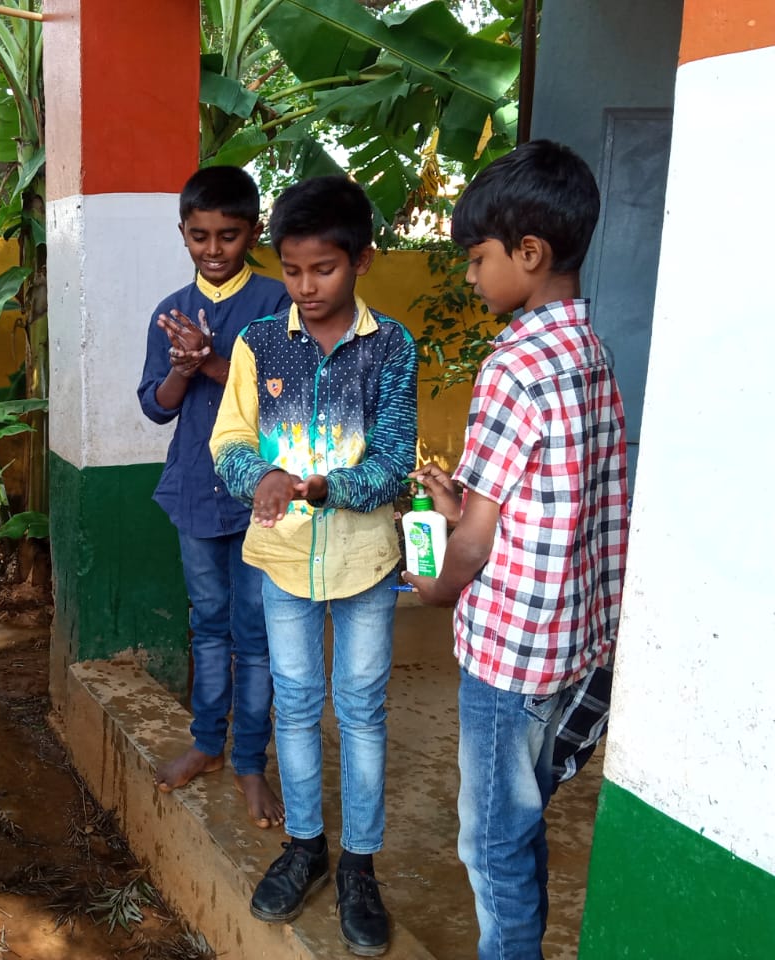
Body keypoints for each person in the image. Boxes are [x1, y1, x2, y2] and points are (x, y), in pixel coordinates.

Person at [401, 139, 628, 960]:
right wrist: (459, 502)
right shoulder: (589, 354)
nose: (469, 275)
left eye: (477, 257)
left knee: (489, 841)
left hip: (507, 657)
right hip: (568, 643)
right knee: (523, 814)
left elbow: (470, 547)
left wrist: (433, 582)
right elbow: (551, 502)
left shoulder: (513, 365)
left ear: (528, 255)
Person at [210, 175, 417, 957]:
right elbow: (229, 439)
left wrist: (333, 487)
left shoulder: (391, 347)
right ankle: (306, 846)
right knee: (295, 702)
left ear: (361, 260)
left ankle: (360, 863)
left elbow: (395, 461)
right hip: (283, 560)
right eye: (292, 271)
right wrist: (255, 477)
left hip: (365, 559)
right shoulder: (258, 345)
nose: (305, 288)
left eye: (322, 270)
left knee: (361, 707)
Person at [137, 166, 290, 829]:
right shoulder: (168, 310)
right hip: (197, 493)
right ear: (182, 234)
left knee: (255, 637)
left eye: (228, 235)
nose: (213, 249)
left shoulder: (278, 302)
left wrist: (212, 362)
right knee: (208, 624)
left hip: (262, 495)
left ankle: (251, 760)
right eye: (199, 236)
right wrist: (178, 369)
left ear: (252, 231)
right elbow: (157, 409)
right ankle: (207, 744)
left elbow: (287, 400)